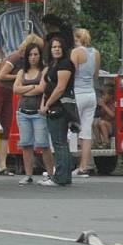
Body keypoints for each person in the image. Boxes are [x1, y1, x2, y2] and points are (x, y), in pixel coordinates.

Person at [0, 34, 45, 176]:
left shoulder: (27, 61)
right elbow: (1, 75)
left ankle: (2, 165)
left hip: (9, 92)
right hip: (0, 89)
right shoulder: (16, 57)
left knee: (6, 127)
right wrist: (21, 76)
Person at [13, 43, 54, 185]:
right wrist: (31, 86)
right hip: (23, 112)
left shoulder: (44, 70)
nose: (33, 57)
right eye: (30, 54)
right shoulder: (21, 72)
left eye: (36, 54)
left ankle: (50, 174)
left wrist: (25, 89)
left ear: (40, 55)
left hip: (38, 113)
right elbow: (15, 89)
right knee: (26, 144)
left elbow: (41, 89)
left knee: (43, 144)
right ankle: (28, 175)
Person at [39, 36, 75, 186]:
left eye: (59, 46)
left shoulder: (65, 64)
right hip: (53, 105)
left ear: (64, 48)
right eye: (54, 47)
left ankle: (59, 177)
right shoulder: (54, 64)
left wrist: (47, 104)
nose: (56, 49)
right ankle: (65, 176)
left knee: (59, 142)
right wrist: (44, 103)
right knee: (61, 142)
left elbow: (60, 88)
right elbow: (46, 87)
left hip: (60, 107)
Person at [71, 28, 100, 177]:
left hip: (77, 93)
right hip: (91, 93)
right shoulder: (95, 53)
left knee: (70, 128)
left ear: (76, 39)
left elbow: (71, 72)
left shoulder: (76, 52)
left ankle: (64, 165)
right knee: (86, 131)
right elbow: (96, 74)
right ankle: (84, 167)